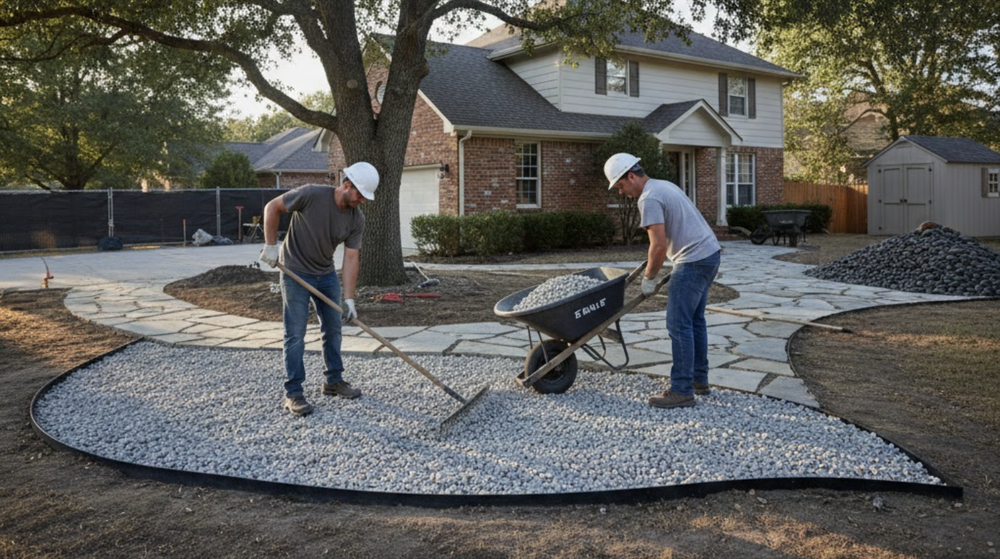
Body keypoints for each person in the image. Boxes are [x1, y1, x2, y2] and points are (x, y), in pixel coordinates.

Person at [258, 162, 379, 416]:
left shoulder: (357, 219)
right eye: (360, 195)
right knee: (295, 333)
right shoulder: (311, 194)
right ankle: (293, 393)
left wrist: (349, 299)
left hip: (325, 274)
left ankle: (333, 381)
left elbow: (351, 258)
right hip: (295, 271)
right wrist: (271, 247)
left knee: (333, 328)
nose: (362, 201)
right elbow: (273, 207)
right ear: (347, 185)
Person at [604, 153, 721, 409]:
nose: (622, 192)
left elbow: (657, 247)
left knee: (678, 325)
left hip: (693, 260)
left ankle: (681, 390)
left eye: (621, 186)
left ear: (631, 175)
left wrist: (649, 279)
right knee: (694, 321)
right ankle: (699, 380)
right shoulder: (664, 185)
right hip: (710, 254)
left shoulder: (649, 198)